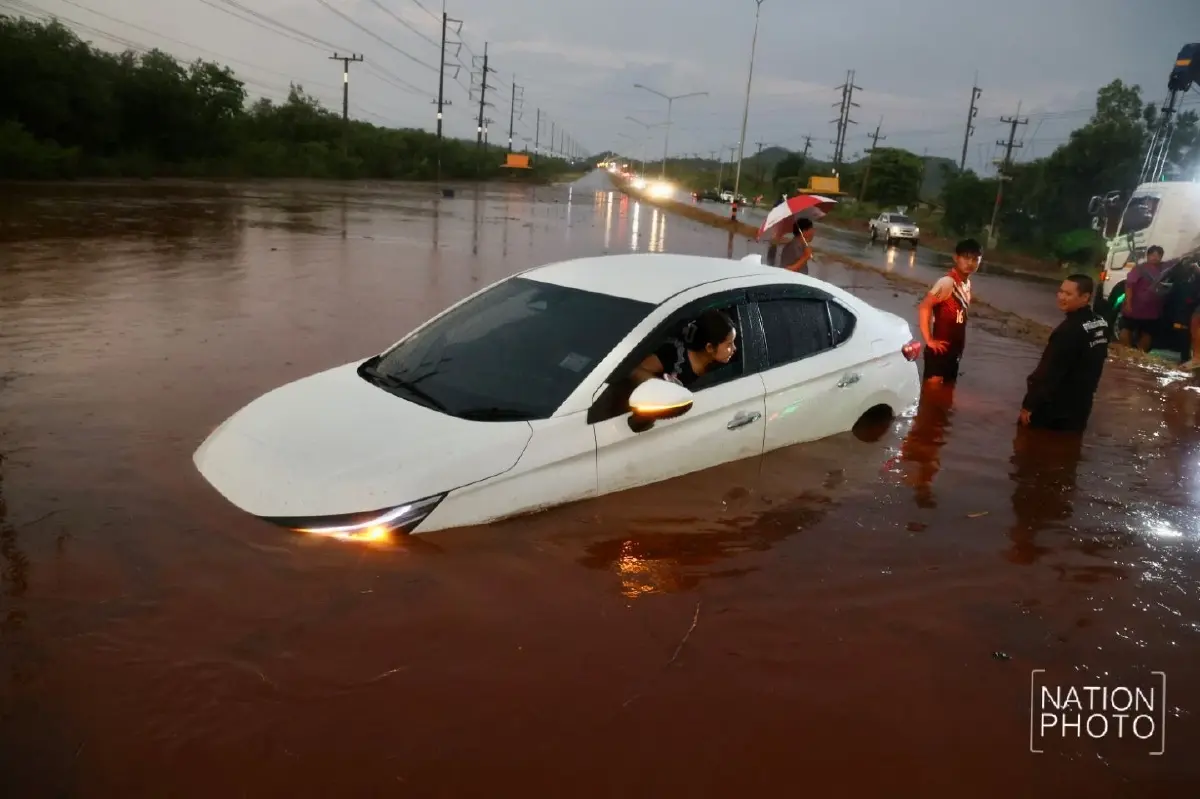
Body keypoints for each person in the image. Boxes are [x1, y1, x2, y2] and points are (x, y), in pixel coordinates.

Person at [1019, 274, 1110, 432]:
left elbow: (1048, 372)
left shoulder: (1067, 331)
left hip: (1055, 407)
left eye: (1068, 294)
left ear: (1085, 297)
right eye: (1060, 292)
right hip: (1082, 406)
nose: (1061, 297)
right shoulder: (1101, 323)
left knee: (1030, 447)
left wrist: (1029, 404)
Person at [917, 238, 981, 384]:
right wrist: (929, 340)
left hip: (955, 351)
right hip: (940, 351)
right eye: (966, 257)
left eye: (975, 259)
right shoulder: (947, 282)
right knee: (931, 396)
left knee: (946, 395)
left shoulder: (966, 284)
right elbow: (924, 307)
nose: (970, 263)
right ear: (956, 258)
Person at [631, 308, 737, 387]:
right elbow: (636, 371)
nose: (735, 348)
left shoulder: (724, 366)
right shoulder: (674, 355)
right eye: (729, 344)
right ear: (709, 347)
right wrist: (665, 389)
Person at [1118, 244, 1167, 352]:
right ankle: (1126, 352)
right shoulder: (1139, 268)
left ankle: (1140, 355)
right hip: (1135, 307)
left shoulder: (1163, 270)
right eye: (1152, 254)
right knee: (1126, 328)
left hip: (1152, 311)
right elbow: (1129, 285)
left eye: (1158, 255)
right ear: (1148, 256)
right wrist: (1128, 303)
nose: (1155, 257)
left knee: (1148, 332)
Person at [1159, 256, 1200, 369]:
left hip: (1189, 305)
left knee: (1192, 326)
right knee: (1187, 329)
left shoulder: (1192, 270)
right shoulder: (1187, 271)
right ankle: (1190, 357)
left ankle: (1194, 358)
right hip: (1186, 305)